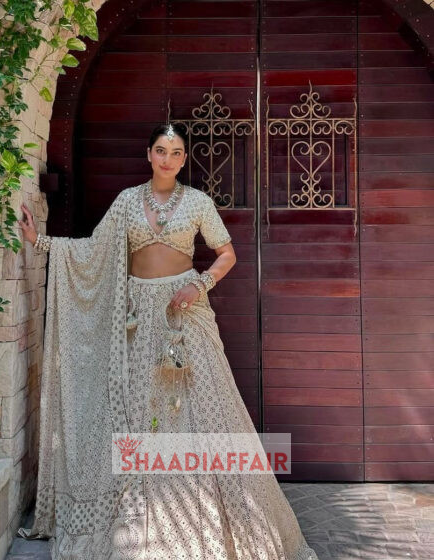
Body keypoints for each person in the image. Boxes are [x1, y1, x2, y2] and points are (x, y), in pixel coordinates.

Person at [18, 123, 319, 559]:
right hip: (138, 315)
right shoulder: (127, 201)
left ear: (183, 159)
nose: (167, 159)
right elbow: (95, 250)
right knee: (140, 405)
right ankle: (143, 508)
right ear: (149, 155)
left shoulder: (197, 202)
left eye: (176, 152)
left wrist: (199, 285)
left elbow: (227, 254)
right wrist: (40, 241)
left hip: (184, 312)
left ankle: (209, 508)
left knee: (206, 404)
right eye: (161, 150)